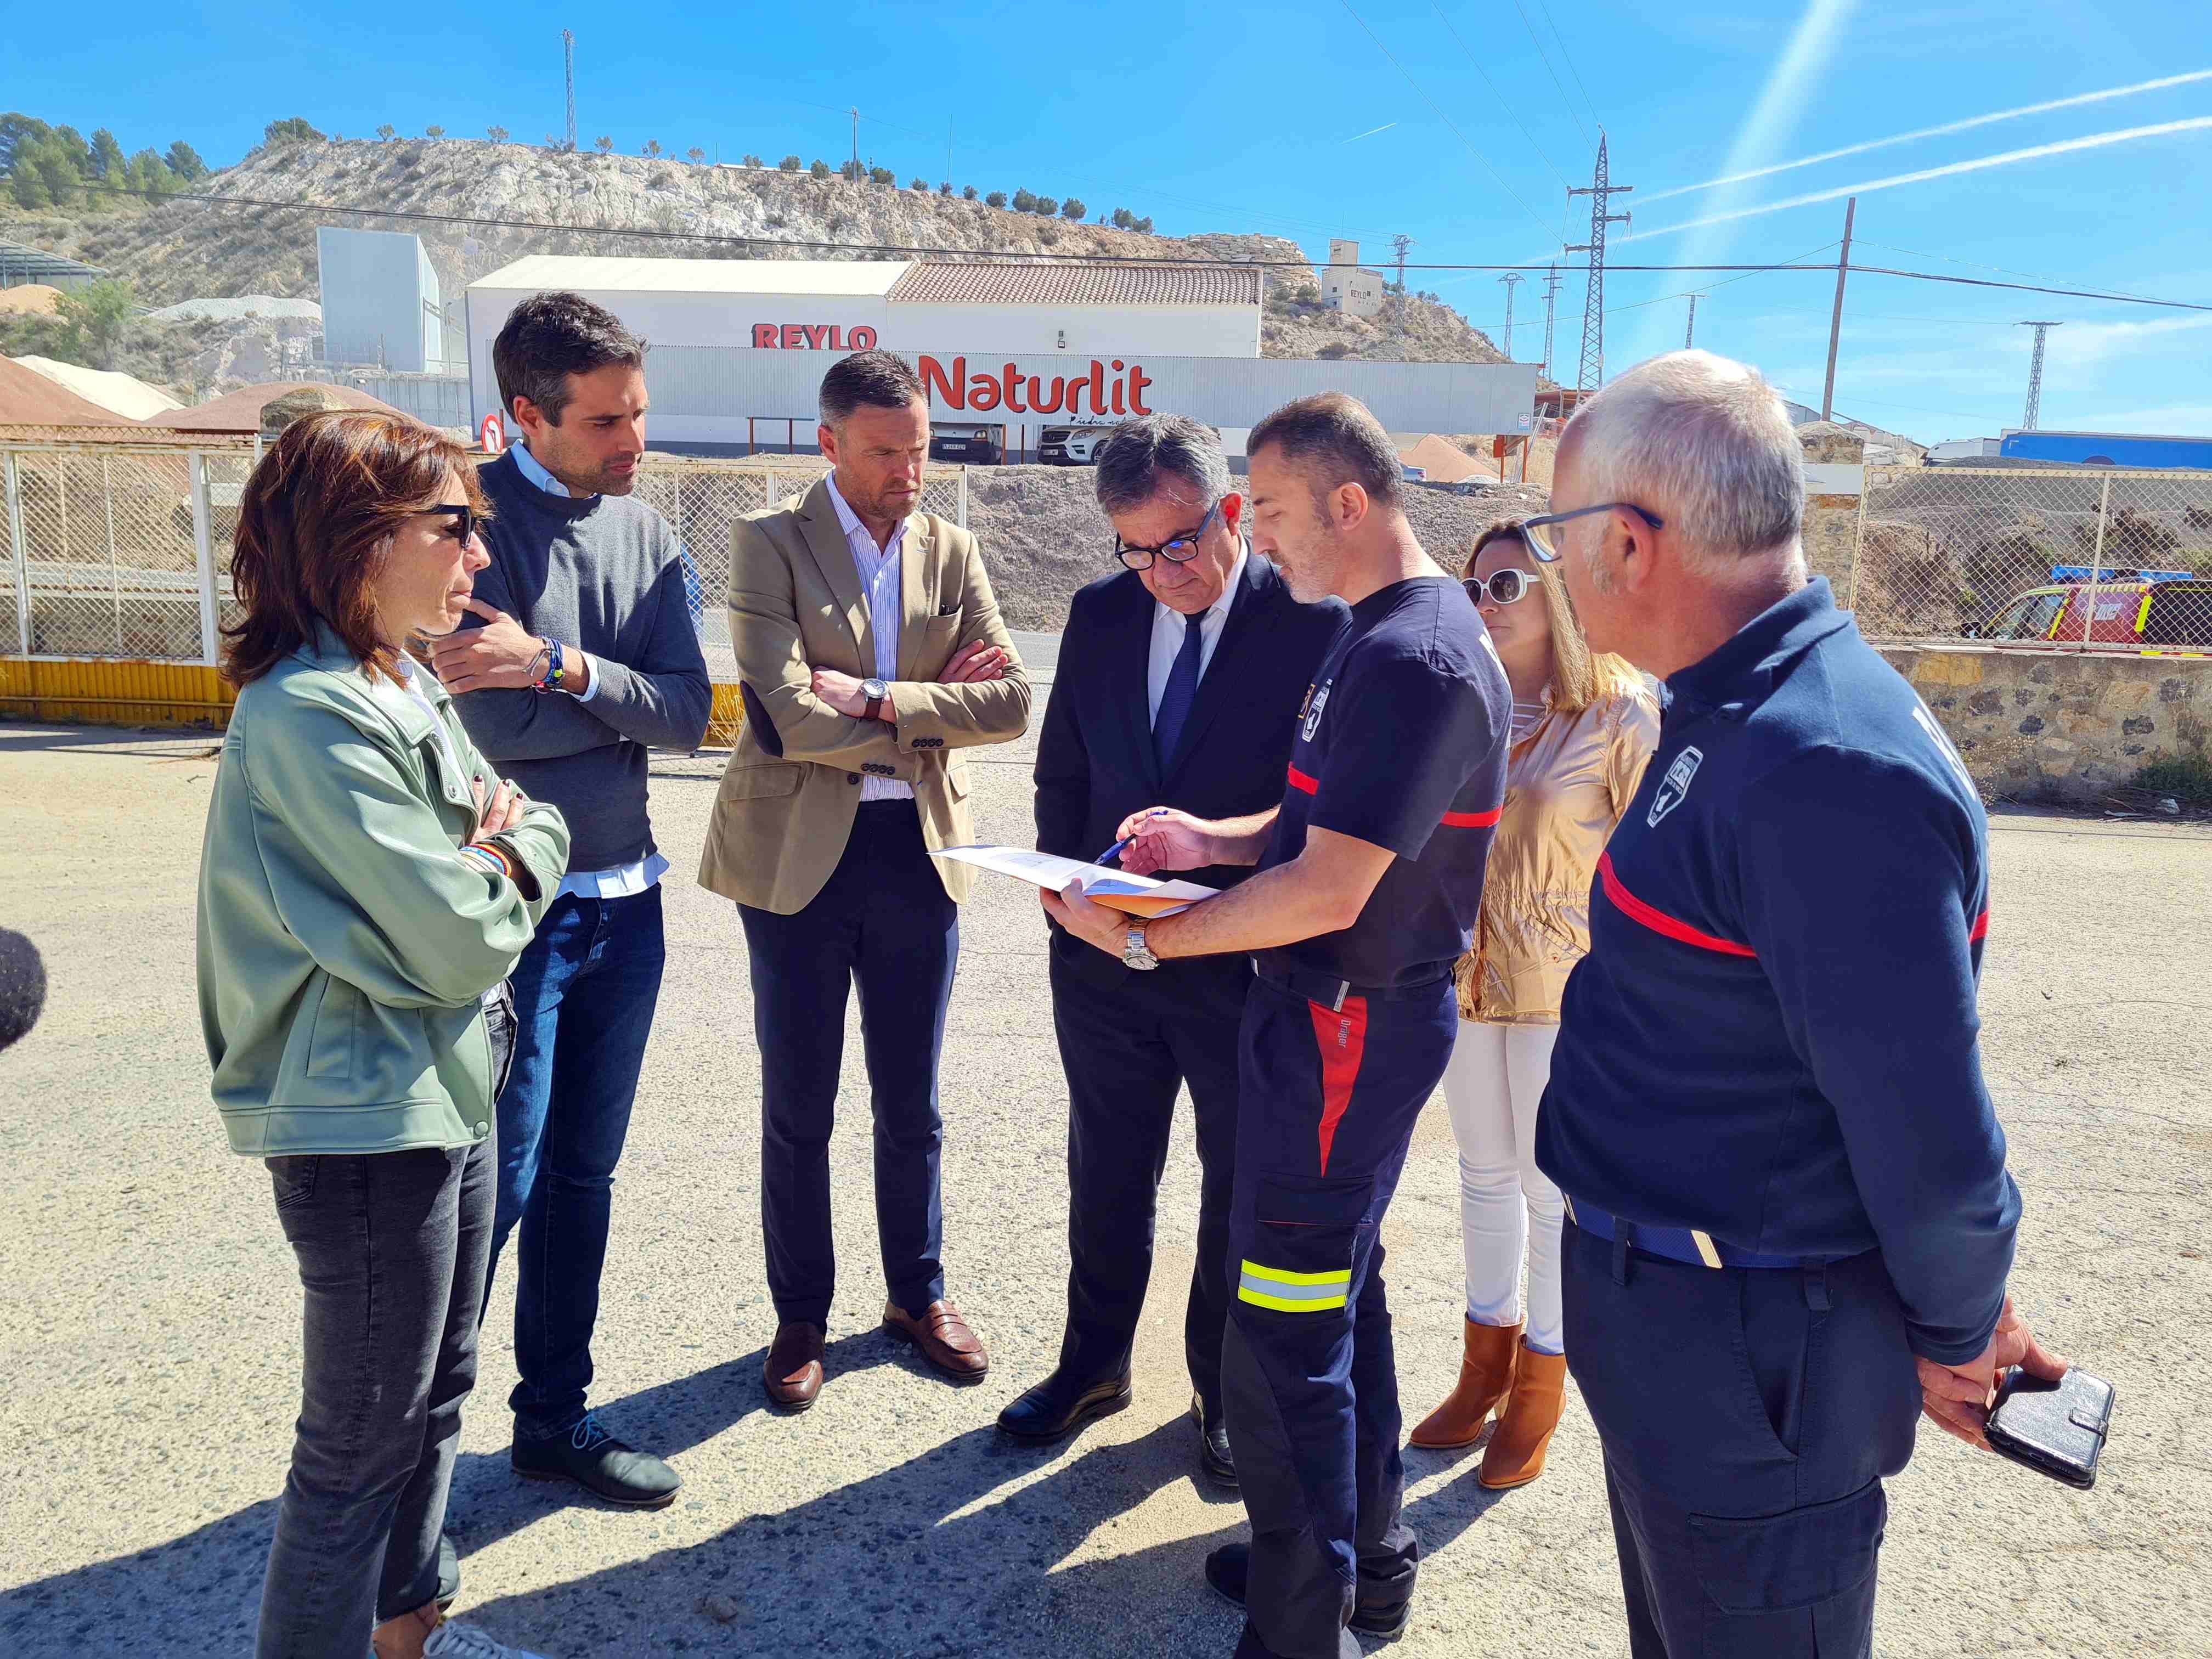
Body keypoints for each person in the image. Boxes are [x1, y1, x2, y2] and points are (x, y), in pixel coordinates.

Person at [1528, 350, 2066, 1655]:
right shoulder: (1737, 707)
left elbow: (1930, 1137)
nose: (1553, 567)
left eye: (1558, 534)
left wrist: (1957, 1326)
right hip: (1689, 1330)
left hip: (1753, 1355)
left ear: (1632, 542)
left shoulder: (1819, 764)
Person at [1046, 392, 1510, 1659]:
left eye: (1276, 513)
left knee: (1285, 1341)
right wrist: (1211, 838)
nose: (1263, 537)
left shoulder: (1413, 657)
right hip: (1315, 1020)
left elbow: (1331, 885)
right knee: (1334, 1302)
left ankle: (1303, 1627)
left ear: (1349, 504)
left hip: (1346, 1024)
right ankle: (1367, 1562)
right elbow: (1315, 825)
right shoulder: (1377, 639)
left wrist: (1147, 933)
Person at [196, 410, 571, 1659]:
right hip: (367, 1119)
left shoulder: (394, 674)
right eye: (453, 526)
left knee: (438, 1393)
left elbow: (512, 833)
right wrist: (513, 851)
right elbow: (461, 933)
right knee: (356, 1448)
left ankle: (409, 1632)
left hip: (446, 1083)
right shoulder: (310, 710)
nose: (477, 559)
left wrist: (506, 846)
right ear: (361, 535)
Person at [1004, 414, 1346, 1482]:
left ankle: (1221, 1396)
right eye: (1135, 550)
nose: (1161, 573)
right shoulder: (1100, 616)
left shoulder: (1313, 627)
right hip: (1102, 963)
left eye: (1180, 545)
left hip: (1244, 972)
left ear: (1231, 512)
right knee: (1107, 1170)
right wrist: (1065, 901)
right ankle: (1093, 1364)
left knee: (1235, 1185)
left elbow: (1320, 816)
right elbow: (1062, 778)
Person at [698, 349, 1032, 1410]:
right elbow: (784, 713)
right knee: (799, 1102)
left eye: (921, 449)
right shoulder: (767, 543)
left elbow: (1014, 702)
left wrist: (883, 701)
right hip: (797, 861)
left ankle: (916, 1294)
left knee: (913, 1101)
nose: (909, 471)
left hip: (920, 859)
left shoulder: (953, 549)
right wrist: (933, 710)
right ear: (830, 443)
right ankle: (801, 1314)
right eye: (887, 452)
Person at [430, 291, 710, 1509]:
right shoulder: (458, 526)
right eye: (605, 421)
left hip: (628, 901)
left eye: (637, 414)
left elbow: (688, 713)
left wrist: (554, 666)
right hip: (509, 913)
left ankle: (553, 1418)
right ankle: (410, 1471)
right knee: (496, 1186)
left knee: (583, 1178)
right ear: (524, 416)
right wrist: (605, 708)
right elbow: (475, 720)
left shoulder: (648, 535)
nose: (631, 442)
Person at [1406, 521, 1657, 1488]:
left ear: (1558, 591)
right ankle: (1483, 1368)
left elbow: (1655, 865)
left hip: (1568, 993)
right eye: (1474, 586)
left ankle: (1542, 1391)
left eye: (1506, 583)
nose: (1484, 603)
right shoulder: (1469, 705)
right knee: (1481, 1175)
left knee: (1550, 1192)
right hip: (1467, 978)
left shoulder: (1622, 711)